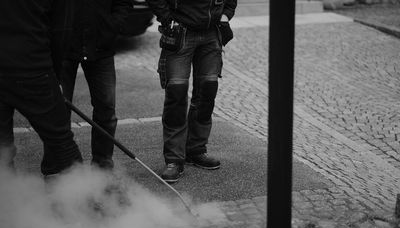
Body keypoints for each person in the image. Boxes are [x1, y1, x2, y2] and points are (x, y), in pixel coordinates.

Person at [147, 0, 237, 183]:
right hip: (180, 32)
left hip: (212, 32)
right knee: (176, 95)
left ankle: (196, 150)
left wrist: (226, 14)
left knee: (207, 93)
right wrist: (167, 19)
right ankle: (174, 159)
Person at [0, 0, 83, 178]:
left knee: (2, 147)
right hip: (33, 68)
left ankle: (7, 201)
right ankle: (83, 201)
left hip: (27, 65)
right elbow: (61, 31)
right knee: (61, 142)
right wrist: (54, 76)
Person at [60, 0, 130, 170]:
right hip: (63, 47)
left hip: (101, 47)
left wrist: (111, 27)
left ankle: (102, 165)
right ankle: (61, 167)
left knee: (106, 109)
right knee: (58, 110)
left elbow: (124, 4)